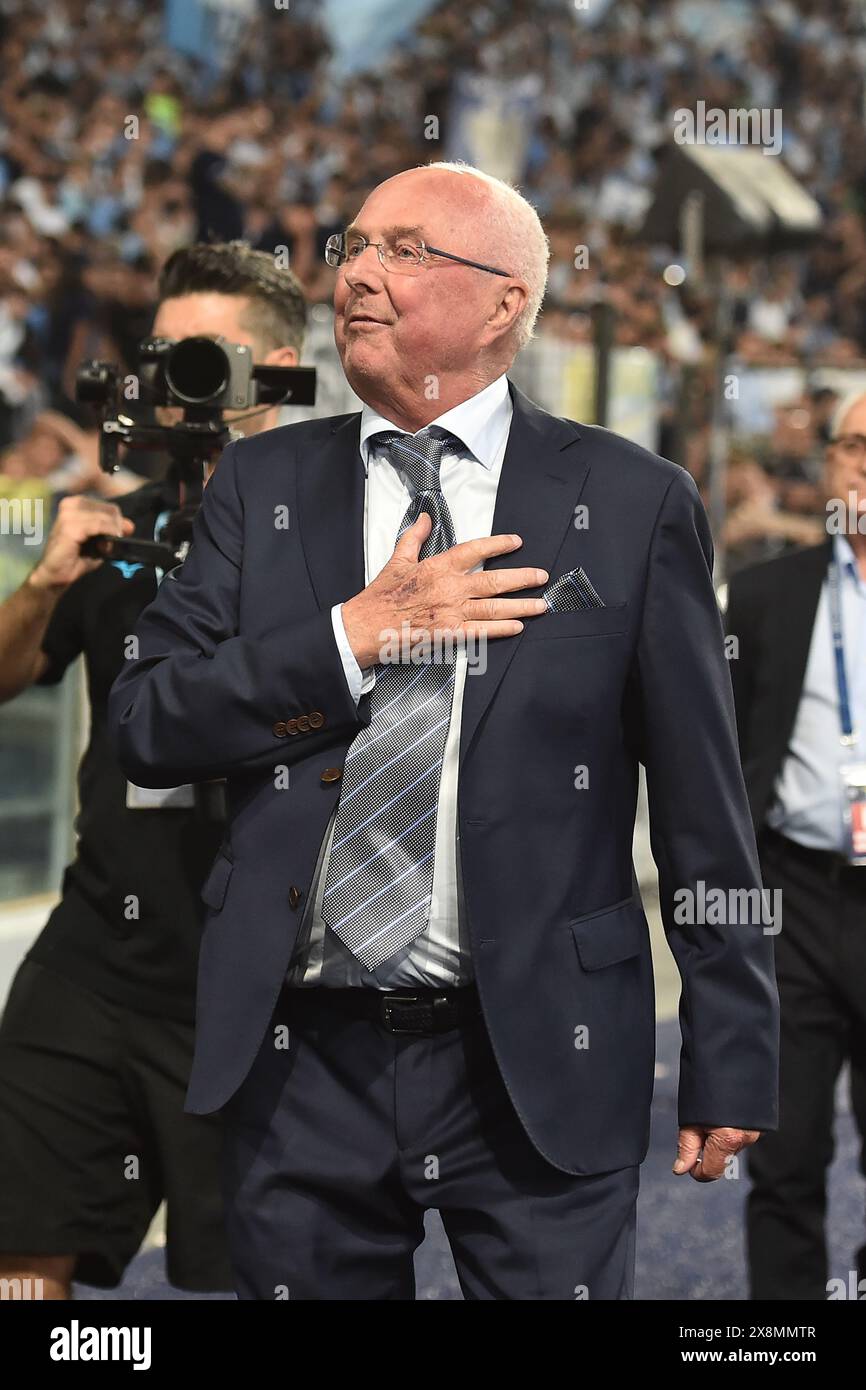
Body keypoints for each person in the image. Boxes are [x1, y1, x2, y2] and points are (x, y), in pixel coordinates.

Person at [108, 162, 779, 1301]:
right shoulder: (259, 484)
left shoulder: (630, 501)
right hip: (299, 1060)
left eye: (405, 252)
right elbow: (144, 720)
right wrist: (349, 638)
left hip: (536, 1051)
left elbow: (703, 807)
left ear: (505, 301)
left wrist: (729, 1051)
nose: (358, 273)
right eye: (353, 247)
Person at [0, 242, 305, 1299]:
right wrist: (42, 582)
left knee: (243, 1281)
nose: (174, 375)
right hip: (91, 964)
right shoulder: (116, 532)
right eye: (162, 351)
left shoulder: (336, 541)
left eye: (202, 355)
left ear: (273, 366)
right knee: (21, 1262)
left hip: (262, 990)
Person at [726, 390, 866, 1301]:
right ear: (829, 466)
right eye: (855, 446)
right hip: (798, 902)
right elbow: (723, 757)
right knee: (785, 1156)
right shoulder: (769, 595)